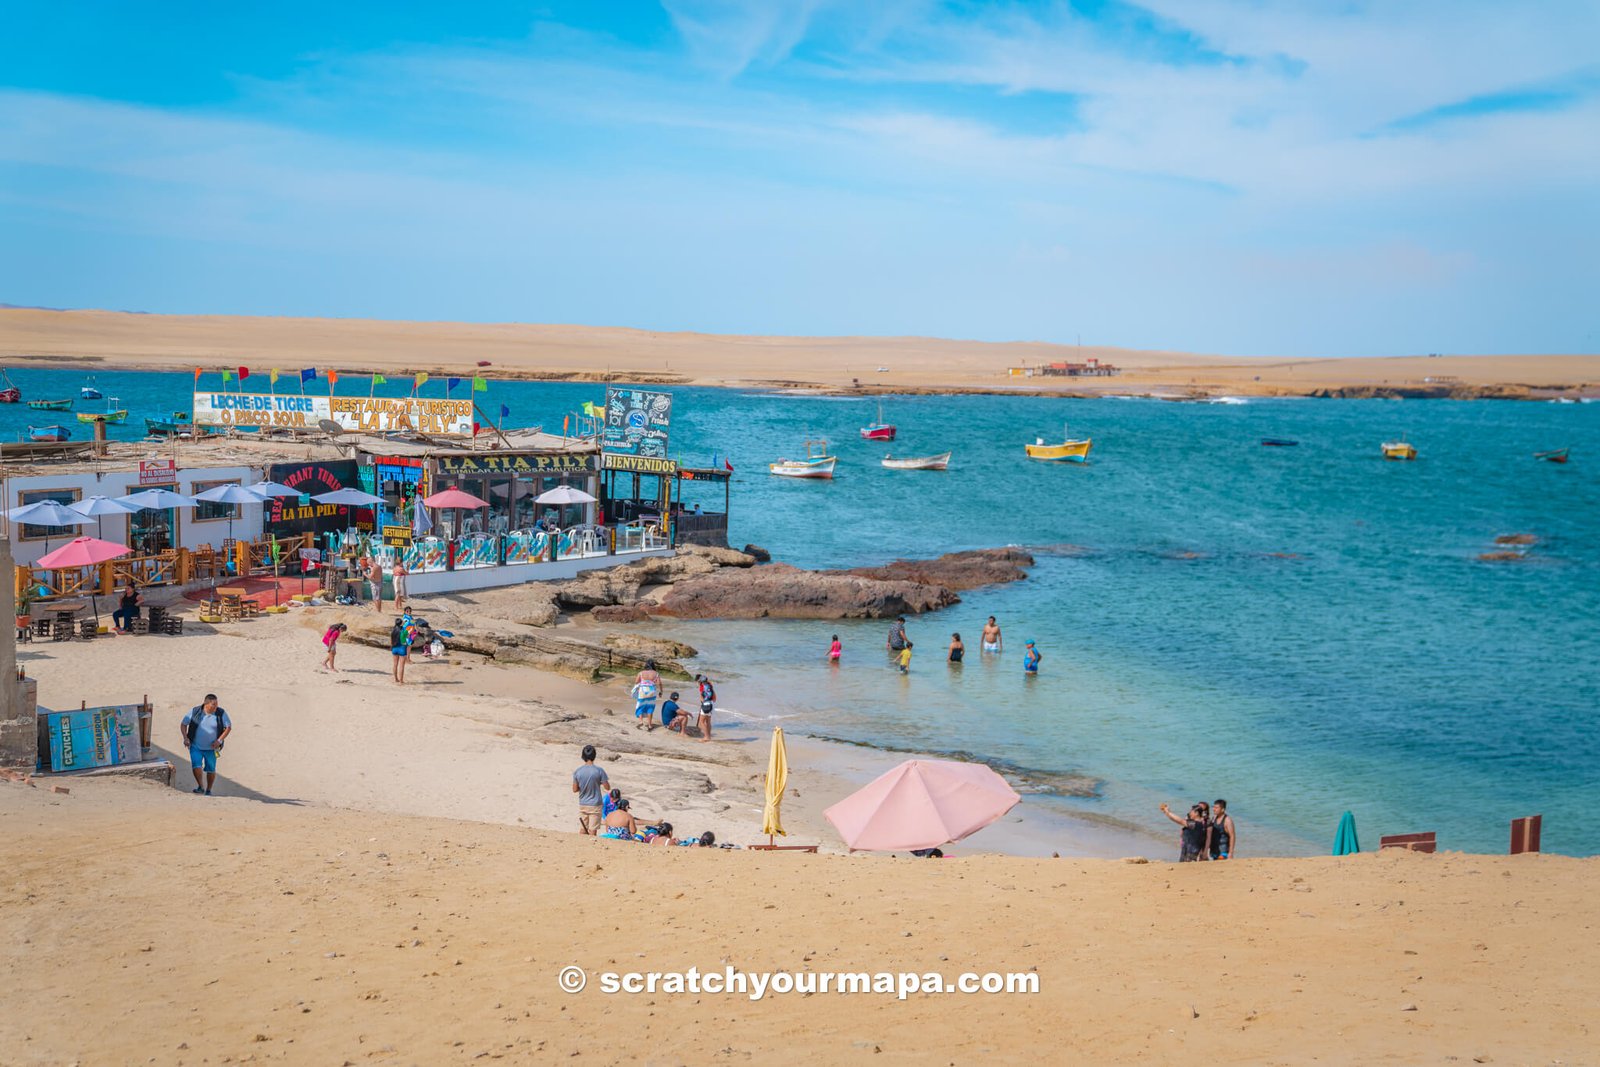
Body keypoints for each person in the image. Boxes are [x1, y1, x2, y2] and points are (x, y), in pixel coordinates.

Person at [181, 694, 232, 796]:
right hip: (195, 746)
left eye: (217, 704)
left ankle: (208, 790)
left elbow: (228, 727)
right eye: (213, 704)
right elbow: (183, 724)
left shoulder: (221, 713)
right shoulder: (195, 711)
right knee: (196, 766)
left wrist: (219, 740)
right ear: (206, 704)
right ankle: (201, 786)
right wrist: (185, 738)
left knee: (211, 770)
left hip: (213, 748)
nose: (216, 706)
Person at [572, 744, 609, 835]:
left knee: (583, 828)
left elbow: (575, 789)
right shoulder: (599, 771)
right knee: (593, 829)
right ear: (594, 756)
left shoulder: (578, 771)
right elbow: (607, 787)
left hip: (583, 803)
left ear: (583, 756)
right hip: (595, 803)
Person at [632, 660, 661, 730]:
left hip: (643, 691)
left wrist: (642, 683)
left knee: (640, 706)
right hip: (652, 691)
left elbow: (636, 681)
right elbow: (659, 683)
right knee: (650, 707)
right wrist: (661, 691)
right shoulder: (656, 673)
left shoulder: (641, 673)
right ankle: (650, 725)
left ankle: (641, 721)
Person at [694, 673, 716, 742]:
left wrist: (702, 702)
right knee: (708, 721)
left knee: (701, 722)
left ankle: (706, 737)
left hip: (705, 704)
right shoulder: (710, 686)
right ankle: (708, 736)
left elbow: (701, 697)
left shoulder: (702, 687)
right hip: (711, 704)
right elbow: (714, 696)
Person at [389, 615, 411, 684]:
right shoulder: (404, 631)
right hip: (402, 648)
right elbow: (408, 636)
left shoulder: (393, 631)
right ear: (401, 623)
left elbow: (391, 641)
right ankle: (401, 681)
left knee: (395, 664)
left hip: (395, 648)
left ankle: (396, 679)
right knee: (401, 666)